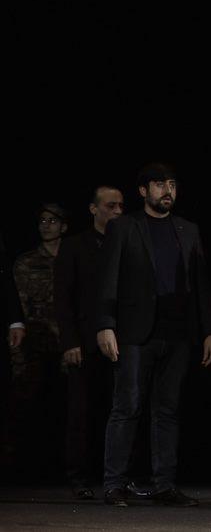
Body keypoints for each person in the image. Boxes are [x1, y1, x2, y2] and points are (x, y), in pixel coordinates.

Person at [95, 163, 211, 507]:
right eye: (160, 184)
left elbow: (201, 284)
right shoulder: (124, 226)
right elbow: (108, 278)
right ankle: (114, 483)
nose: (168, 191)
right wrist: (105, 324)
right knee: (127, 406)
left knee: (167, 410)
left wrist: (210, 330)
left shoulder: (187, 229)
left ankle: (164, 484)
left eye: (172, 185)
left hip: (177, 333)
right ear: (143, 190)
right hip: (135, 332)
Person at [54, 187, 125, 498]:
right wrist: (69, 341)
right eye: (111, 206)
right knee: (81, 412)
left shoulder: (125, 241)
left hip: (121, 342)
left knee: (119, 410)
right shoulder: (74, 246)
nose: (117, 211)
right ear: (94, 209)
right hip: (84, 341)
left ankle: (116, 477)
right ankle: (79, 477)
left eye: (121, 206)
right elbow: (63, 298)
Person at [9, 203, 69, 481]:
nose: (46, 225)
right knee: (26, 401)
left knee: (67, 403)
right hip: (33, 341)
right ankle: (21, 466)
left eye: (52, 221)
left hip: (67, 341)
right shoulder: (25, 262)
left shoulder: (72, 258)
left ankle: (66, 465)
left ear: (64, 226)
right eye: (42, 221)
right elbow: (16, 304)